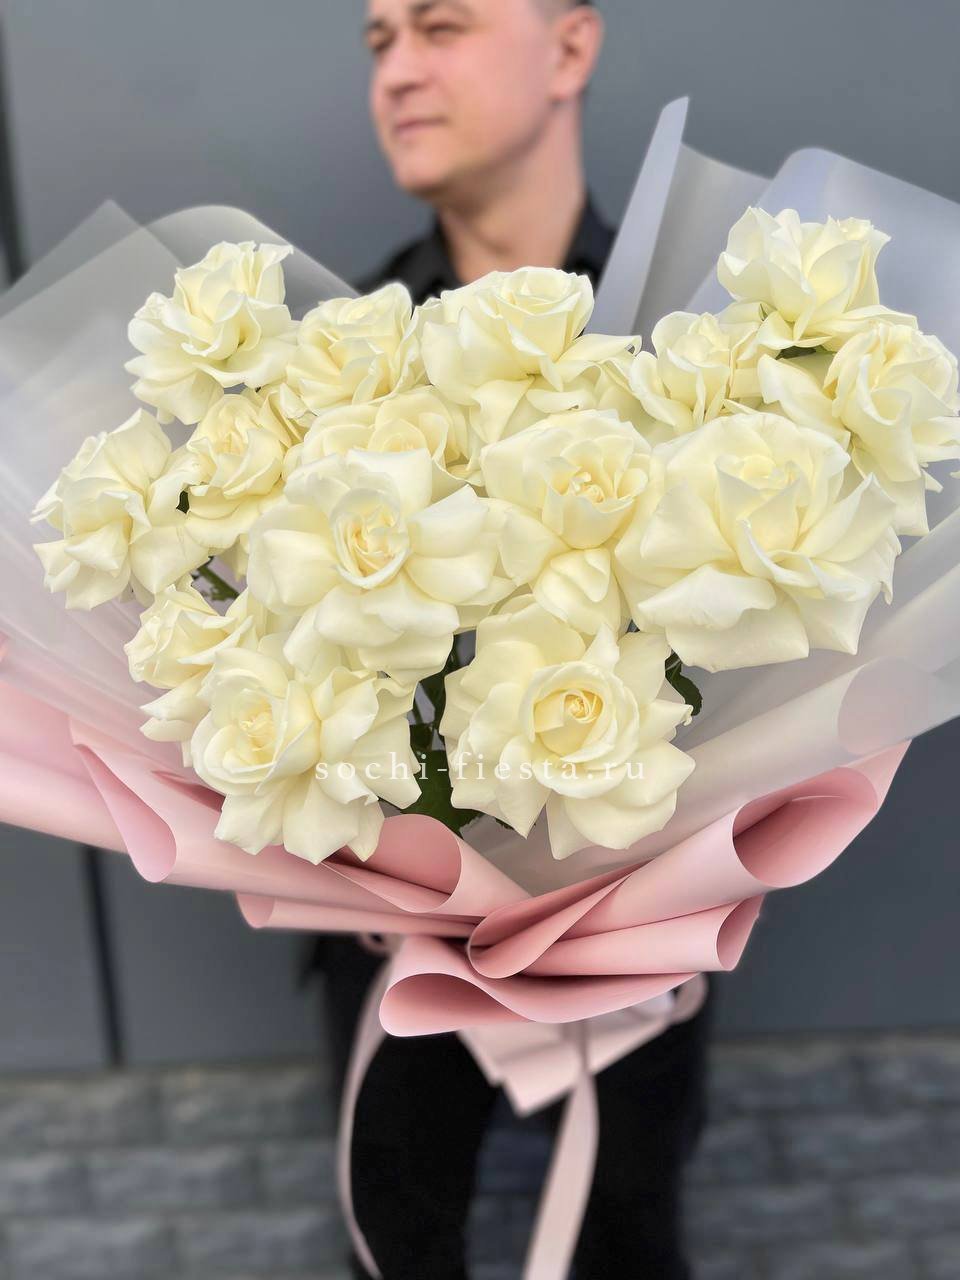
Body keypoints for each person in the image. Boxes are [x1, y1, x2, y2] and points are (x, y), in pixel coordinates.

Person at [310, 3, 714, 1277]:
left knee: (629, 1233)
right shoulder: (338, 362)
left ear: (570, 47)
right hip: (387, 935)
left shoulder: (692, 346)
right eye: (379, 41)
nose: (399, 71)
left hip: (639, 921)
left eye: (441, 26)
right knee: (394, 1239)